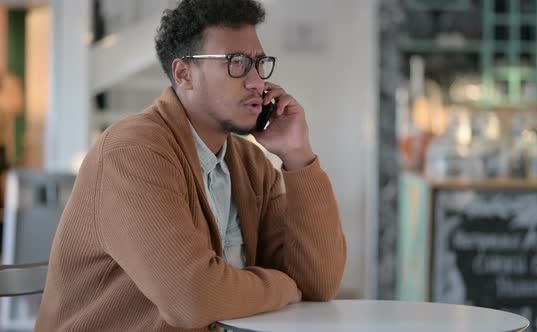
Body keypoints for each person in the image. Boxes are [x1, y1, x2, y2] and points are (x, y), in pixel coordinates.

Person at [35, 0, 346, 331]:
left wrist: (297, 156)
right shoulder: (132, 153)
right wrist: (285, 286)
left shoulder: (250, 163)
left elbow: (318, 284)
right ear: (184, 74)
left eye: (259, 63)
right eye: (237, 63)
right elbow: (193, 298)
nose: (257, 81)